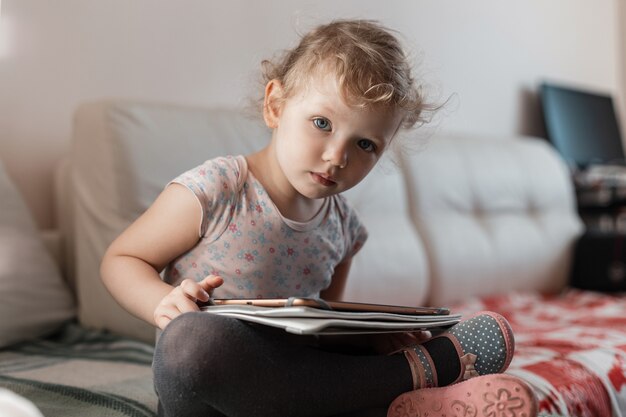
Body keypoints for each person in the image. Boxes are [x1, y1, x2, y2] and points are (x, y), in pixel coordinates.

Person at [100, 19, 537, 417]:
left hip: (299, 382)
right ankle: (419, 375)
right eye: (322, 123)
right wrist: (161, 303)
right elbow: (121, 260)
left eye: (365, 145)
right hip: (210, 392)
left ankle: (417, 399)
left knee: (339, 362)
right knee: (192, 342)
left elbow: (323, 328)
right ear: (275, 106)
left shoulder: (344, 228)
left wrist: (369, 339)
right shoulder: (218, 188)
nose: (337, 156)